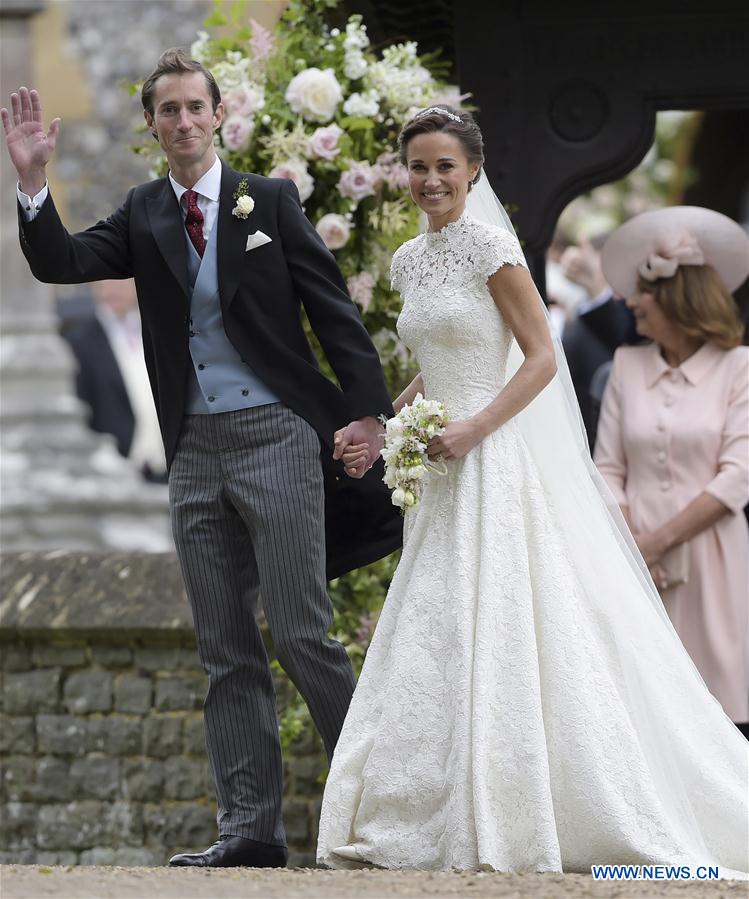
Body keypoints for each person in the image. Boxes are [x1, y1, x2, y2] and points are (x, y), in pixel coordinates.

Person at [318, 106, 749, 875]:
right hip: (441, 469)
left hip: (493, 459)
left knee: (510, 621)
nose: (430, 180)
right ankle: (421, 811)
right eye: (418, 166)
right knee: (437, 625)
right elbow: (436, 367)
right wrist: (386, 428)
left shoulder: (492, 248)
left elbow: (540, 356)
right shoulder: (409, 260)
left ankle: (528, 806)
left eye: (445, 166)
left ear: (472, 171)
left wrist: (474, 428)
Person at [3, 49, 402, 869]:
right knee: (224, 646)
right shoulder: (144, 211)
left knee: (300, 631)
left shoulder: (271, 201)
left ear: (219, 115)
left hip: (276, 435)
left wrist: (368, 414)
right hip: (191, 449)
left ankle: (383, 806)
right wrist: (33, 182)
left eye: (195, 107)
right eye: (168, 110)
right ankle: (250, 828)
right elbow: (61, 261)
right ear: (151, 125)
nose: (183, 121)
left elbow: (333, 314)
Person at [594, 206, 749, 735]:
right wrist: (633, 545)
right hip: (632, 559)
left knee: (721, 715)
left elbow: (737, 475)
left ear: (678, 297)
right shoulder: (626, 365)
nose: (630, 301)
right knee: (645, 716)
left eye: (643, 291)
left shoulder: (739, 368)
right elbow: (607, 468)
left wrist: (656, 544)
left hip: (714, 561)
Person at [63, 278, 167, 481]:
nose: (113, 290)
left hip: (165, 468)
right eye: (105, 283)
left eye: (121, 282)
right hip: (113, 470)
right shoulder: (79, 341)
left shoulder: (156, 331)